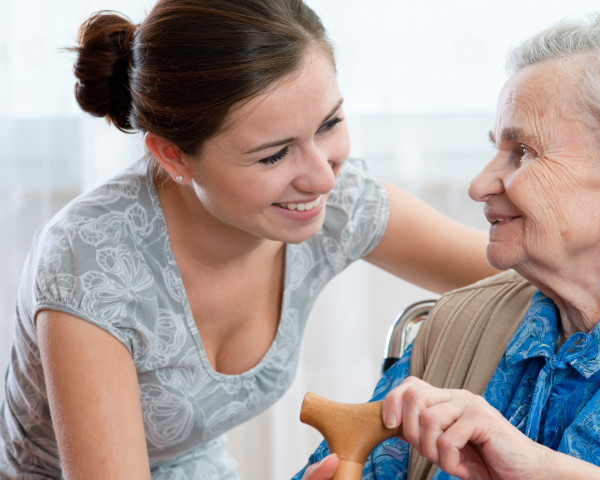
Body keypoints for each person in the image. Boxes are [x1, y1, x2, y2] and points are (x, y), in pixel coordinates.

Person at [0, 1, 499, 478]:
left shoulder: (339, 203)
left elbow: (526, 272)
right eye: (273, 155)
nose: (322, 178)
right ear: (173, 156)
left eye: (329, 124)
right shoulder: (89, 264)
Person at [299, 6, 600, 479]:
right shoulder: (455, 330)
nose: (479, 185)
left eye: (522, 151)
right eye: (496, 150)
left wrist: (539, 469)